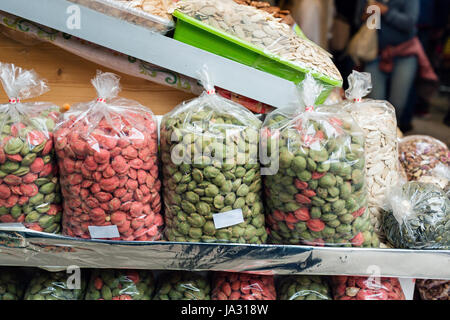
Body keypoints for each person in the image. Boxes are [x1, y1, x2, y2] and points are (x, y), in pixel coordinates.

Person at [356, 0, 421, 132]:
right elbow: (359, 21)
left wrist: (385, 11)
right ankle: (375, 139)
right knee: (374, 104)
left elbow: (409, 23)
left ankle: (391, 137)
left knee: (398, 104)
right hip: (375, 53)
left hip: (404, 53)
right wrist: (368, 14)